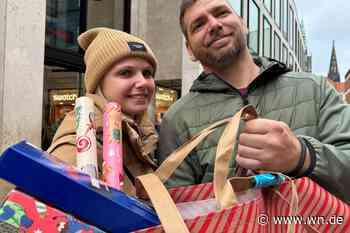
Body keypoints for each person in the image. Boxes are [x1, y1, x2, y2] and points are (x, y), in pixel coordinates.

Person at [157, 0, 350, 204]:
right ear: (189, 50)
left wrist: (303, 157)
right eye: (198, 25)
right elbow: (177, 211)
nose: (213, 24)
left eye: (221, 13)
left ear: (243, 23)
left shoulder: (314, 89)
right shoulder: (177, 120)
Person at [47, 27, 159, 196]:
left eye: (147, 73)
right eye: (126, 72)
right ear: (99, 83)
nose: (142, 82)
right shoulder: (78, 144)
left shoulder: (142, 134)